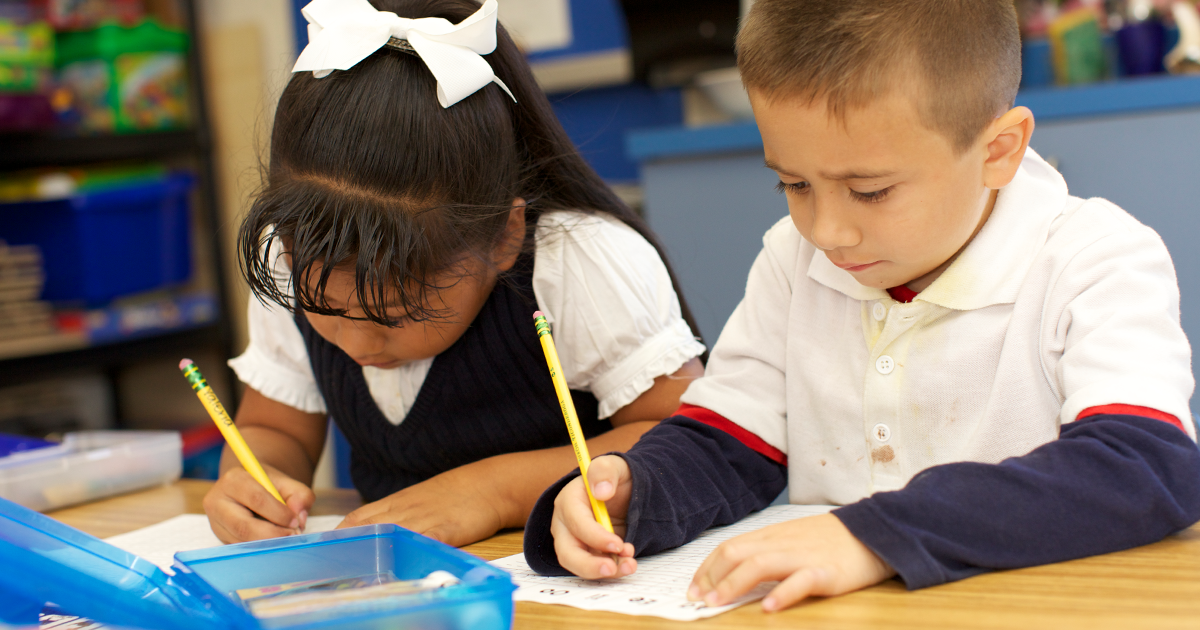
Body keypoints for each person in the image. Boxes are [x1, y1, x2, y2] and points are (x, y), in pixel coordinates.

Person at [526, 0, 1200, 613]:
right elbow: (731, 441)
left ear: (998, 150)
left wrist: (871, 537)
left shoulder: (1095, 257)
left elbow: (1144, 466)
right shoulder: (795, 259)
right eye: (793, 183)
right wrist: (635, 492)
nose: (826, 231)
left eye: (870, 191)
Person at [201, 0, 706, 548]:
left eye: (394, 315)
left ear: (505, 236)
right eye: (324, 309)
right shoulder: (293, 256)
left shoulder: (575, 259)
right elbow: (273, 429)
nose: (357, 342)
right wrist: (249, 480)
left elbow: (685, 437)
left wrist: (493, 492)